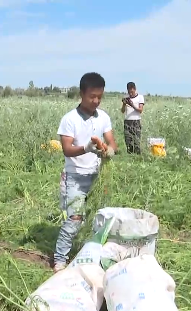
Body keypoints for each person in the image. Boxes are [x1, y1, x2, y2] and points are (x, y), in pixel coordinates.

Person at [53, 72, 118, 273]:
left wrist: (110, 150)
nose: (96, 101)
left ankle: (90, 254)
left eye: (100, 96)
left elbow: (111, 141)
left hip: (96, 176)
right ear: (81, 94)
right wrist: (86, 148)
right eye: (92, 96)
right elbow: (66, 149)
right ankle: (59, 259)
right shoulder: (70, 119)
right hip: (74, 177)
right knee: (74, 219)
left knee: (99, 218)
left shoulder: (103, 117)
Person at [121, 82, 145, 154]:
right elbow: (122, 111)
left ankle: (137, 158)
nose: (130, 93)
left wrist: (132, 105)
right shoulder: (127, 99)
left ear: (134, 89)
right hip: (127, 121)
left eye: (131, 91)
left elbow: (140, 110)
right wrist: (124, 104)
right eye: (128, 91)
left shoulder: (140, 97)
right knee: (128, 142)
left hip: (136, 121)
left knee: (137, 142)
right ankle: (130, 157)